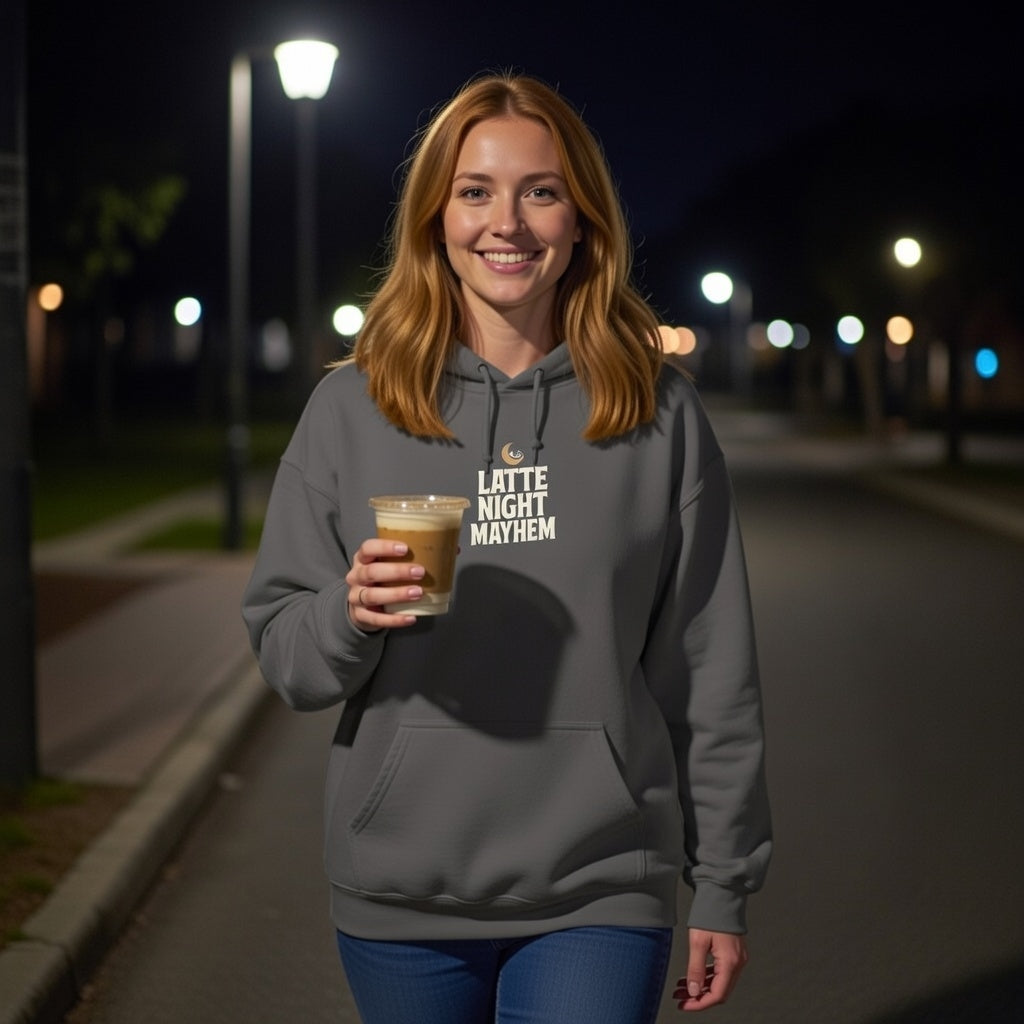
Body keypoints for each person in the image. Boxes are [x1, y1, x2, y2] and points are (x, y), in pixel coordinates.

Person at [242, 72, 771, 1023]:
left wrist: (723, 880)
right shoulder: (352, 407)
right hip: (399, 891)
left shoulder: (658, 413)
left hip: (601, 885)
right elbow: (288, 656)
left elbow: (710, 671)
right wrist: (347, 616)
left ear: (583, 220)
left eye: (542, 191)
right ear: (436, 218)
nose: (508, 224)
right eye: (476, 191)